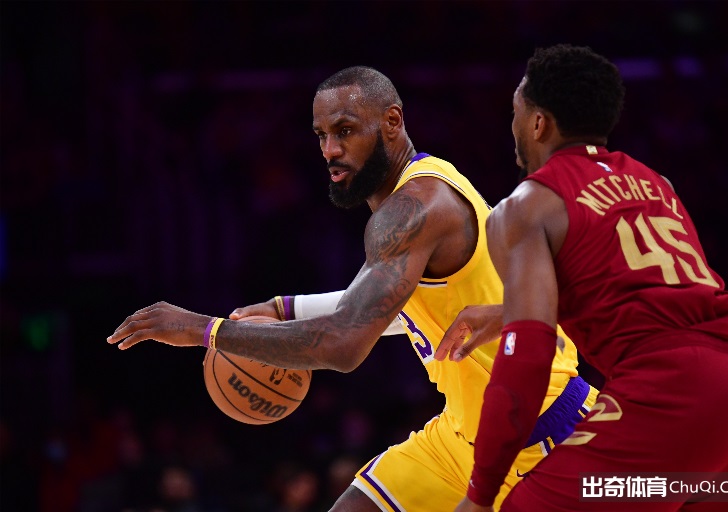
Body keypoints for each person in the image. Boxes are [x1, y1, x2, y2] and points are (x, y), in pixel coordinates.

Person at [108, 66, 597, 511]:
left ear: (391, 122)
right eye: (321, 135)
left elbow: (345, 343)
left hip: (545, 438)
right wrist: (284, 309)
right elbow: (381, 307)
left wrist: (202, 330)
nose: (330, 150)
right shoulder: (414, 194)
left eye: (344, 131)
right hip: (463, 436)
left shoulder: (417, 208)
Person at [438, 45, 728, 511]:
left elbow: (527, 360)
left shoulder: (525, 207)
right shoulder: (657, 183)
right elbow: (649, 295)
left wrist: (480, 492)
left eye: (516, 112)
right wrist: (512, 313)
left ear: (538, 123)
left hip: (675, 398)